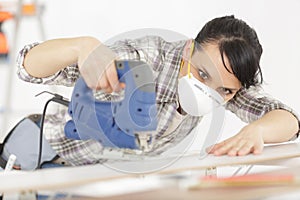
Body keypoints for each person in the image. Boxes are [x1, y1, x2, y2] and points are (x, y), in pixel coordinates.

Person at [2, 15, 299, 169]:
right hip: (39, 146)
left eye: (224, 90)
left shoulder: (226, 87)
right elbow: (27, 68)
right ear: (187, 50)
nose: (208, 91)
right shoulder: (145, 58)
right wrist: (79, 47)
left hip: (85, 171)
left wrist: (258, 131)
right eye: (202, 74)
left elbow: (289, 121)